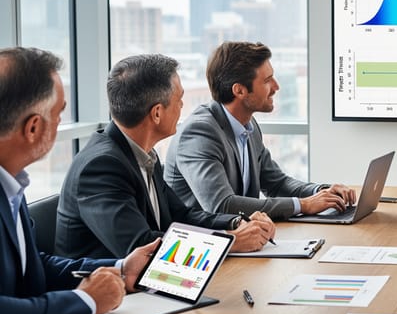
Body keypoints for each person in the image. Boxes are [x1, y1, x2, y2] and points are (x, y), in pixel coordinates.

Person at [0, 47, 158, 314]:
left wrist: (121, 268)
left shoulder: (11, 184)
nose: (61, 123)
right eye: (59, 114)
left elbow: (31, 267)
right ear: (33, 127)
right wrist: (84, 300)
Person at [56, 54, 276, 259]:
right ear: (157, 113)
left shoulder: (143, 153)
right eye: (179, 99)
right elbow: (139, 246)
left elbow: (182, 215)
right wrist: (230, 242)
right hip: (115, 294)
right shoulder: (101, 167)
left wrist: (237, 222)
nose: (182, 106)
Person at [164, 41, 355, 220]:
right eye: (267, 81)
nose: (276, 87)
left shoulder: (248, 125)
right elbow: (222, 206)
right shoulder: (200, 133)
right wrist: (304, 205)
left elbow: (277, 184)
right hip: (203, 245)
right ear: (239, 91)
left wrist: (321, 192)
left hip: (244, 237)